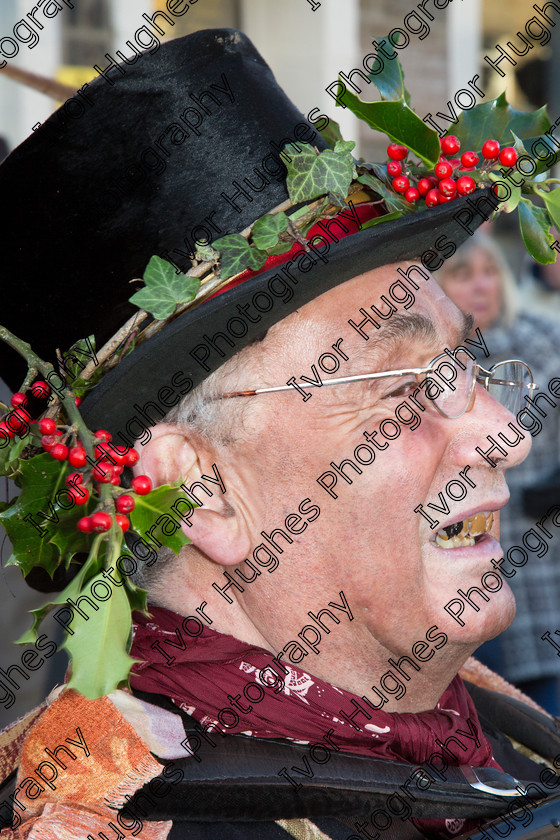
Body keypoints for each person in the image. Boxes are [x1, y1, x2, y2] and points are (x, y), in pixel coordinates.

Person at [0, 28, 559, 840]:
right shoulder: (110, 818)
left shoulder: (494, 733)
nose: (507, 437)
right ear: (202, 488)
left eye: (466, 367)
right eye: (402, 385)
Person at [437, 232, 560, 715]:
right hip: (459, 571)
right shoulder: (426, 364)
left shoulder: (547, 343)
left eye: (490, 272)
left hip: (544, 562)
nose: (481, 286)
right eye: (463, 275)